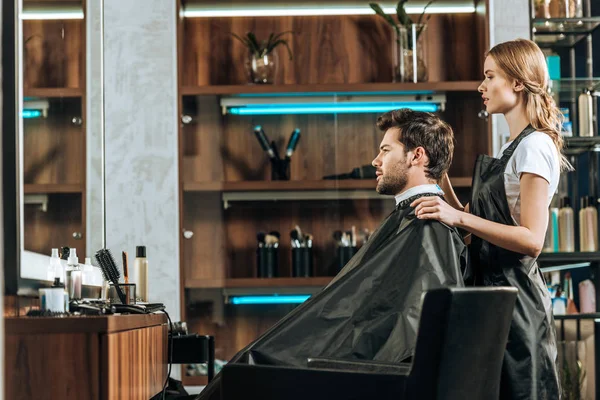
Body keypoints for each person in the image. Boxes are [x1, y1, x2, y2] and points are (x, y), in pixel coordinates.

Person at [197, 109, 469, 399]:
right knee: (249, 362)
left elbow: (407, 333)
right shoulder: (415, 218)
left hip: (368, 375)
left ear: (416, 156)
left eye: (385, 151)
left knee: (250, 367)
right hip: (347, 361)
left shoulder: (428, 227)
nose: (375, 161)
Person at [411, 38, 563, 399]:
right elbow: (479, 228)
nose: (481, 86)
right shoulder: (512, 148)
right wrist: (441, 179)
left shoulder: (536, 146)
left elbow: (531, 240)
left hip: (519, 305)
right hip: (493, 299)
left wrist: (458, 218)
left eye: (489, 76)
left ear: (517, 82)